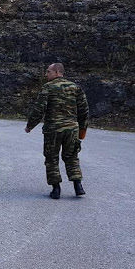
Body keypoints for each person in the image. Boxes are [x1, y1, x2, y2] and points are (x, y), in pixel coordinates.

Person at [25, 63, 89, 199]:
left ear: (57, 72)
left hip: (53, 130)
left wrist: (30, 125)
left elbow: (39, 109)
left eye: (48, 71)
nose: (46, 74)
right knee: (72, 156)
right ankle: (78, 186)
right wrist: (82, 129)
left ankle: (56, 189)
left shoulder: (48, 88)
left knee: (51, 158)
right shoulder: (75, 88)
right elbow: (84, 110)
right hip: (72, 129)